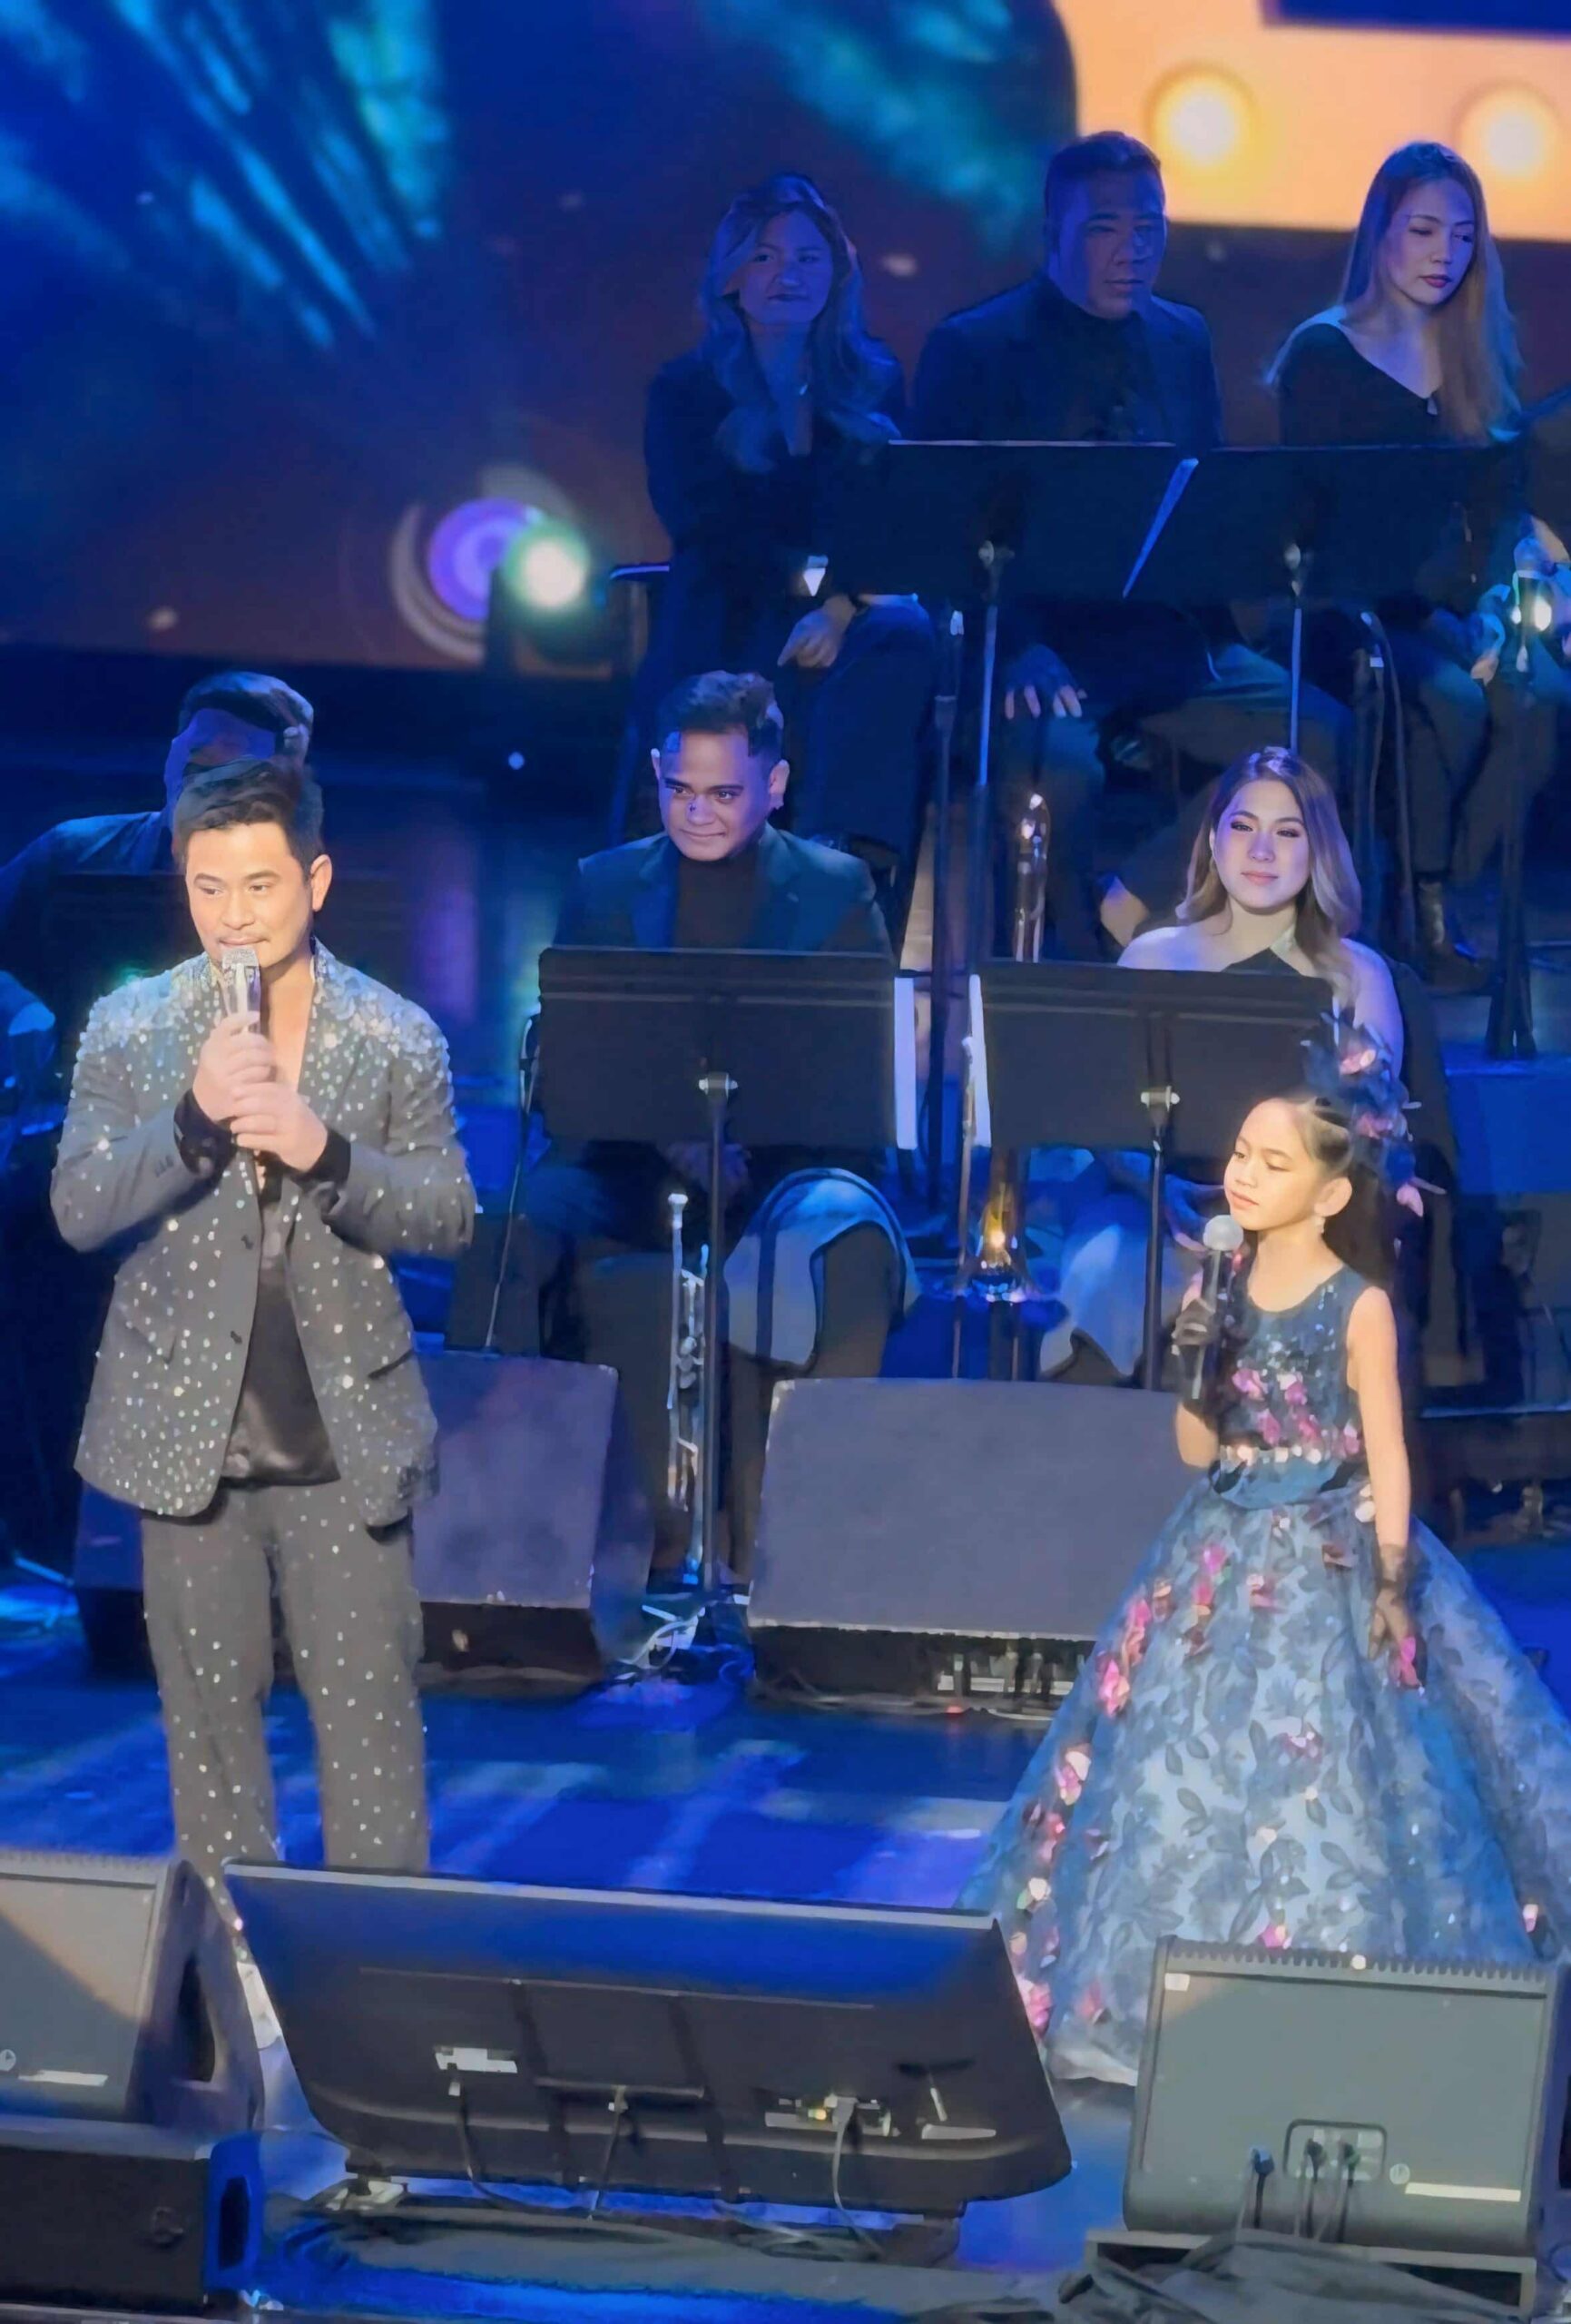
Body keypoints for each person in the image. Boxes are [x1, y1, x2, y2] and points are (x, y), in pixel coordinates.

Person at [963, 1062, 1571, 2086]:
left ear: (1329, 1194)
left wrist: (1390, 1579)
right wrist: (1194, 1367)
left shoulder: (1358, 1305)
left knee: (1339, 1765)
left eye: (1272, 1162)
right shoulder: (1218, 1288)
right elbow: (1196, 1452)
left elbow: (1388, 1451)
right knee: (1179, 1766)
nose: (1243, 1175)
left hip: (1330, 1542)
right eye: (1240, 1155)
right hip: (1220, 1546)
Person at [51, 755, 474, 1934]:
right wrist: (192, 1123)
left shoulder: (391, 1035)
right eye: (209, 888)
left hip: (342, 1435)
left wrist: (323, 1149)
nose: (234, 915)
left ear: (315, 881)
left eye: (260, 885)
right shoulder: (133, 1026)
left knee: (368, 1724)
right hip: (185, 1433)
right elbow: (77, 1206)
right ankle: (233, 1966)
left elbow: (447, 1213)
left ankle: (379, 1964)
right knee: (209, 1735)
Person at [911, 132, 1350, 956]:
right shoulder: (975, 349)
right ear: (1052, 232)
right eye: (1104, 228)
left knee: (1316, 734)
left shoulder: (1181, 337)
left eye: (1148, 228)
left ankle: (1134, 904)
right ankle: (1065, 968)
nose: (1132, 250)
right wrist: (1015, 649)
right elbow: (937, 532)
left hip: (1163, 638)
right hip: (1038, 646)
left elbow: (1204, 494)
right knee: (1059, 771)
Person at [525, 671, 914, 1569]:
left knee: (835, 1234)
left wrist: (741, 1146)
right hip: (628, 1163)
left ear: (774, 785)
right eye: (680, 788)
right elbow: (576, 1066)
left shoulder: (836, 890)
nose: (696, 811)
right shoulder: (603, 885)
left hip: (780, 1171)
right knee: (521, 1223)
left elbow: (848, 1073)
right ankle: (526, 1540)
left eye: (723, 793)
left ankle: (793, 1559)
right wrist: (675, 1133)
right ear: (657, 772)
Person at [1273, 142, 1571, 988]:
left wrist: (1494, 606)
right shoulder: (1323, 353)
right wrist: (1446, 618)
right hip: (1352, 609)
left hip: (1454, 607)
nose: (1444, 253)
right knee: (1450, 700)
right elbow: (1327, 525)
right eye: (1423, 230)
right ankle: (1422, 909)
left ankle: (1434, 887)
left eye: (1463, 235)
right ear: (1381, 233)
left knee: (1539, 699)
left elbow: (1496, 503)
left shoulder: (1471, 348)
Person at [1039, 748, 1401, 1384]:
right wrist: (1158, 1190)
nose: (1261, 851)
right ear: (1212, 840)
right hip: (1154, 1197)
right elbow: (1104, 1116)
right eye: (1242, 827)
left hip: (1298, 1212)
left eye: (1286, 833)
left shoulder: (1356, 974)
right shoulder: (1151, 957)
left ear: (1317, 852)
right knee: (1103, 1272)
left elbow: (1374, 1125)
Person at [635, 175, 934, 927]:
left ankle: (838, 860)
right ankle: (804, 873)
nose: (787, 275)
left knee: (902, 632)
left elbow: (893, 519)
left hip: (847, 617)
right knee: (836, 654)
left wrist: (838, 608)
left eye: (807, 257)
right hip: (730, 614)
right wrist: (816, 593)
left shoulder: (873, 381)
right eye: (764, 257)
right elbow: (708, 529)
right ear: (730, 274)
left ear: (836, 273)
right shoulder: (686, 390)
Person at [0, 670, 314, 1017]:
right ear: (171, 758)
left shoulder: (302, 881)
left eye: (233, 774)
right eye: (196, 763)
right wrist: (22, 1014)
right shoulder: (73, 852)